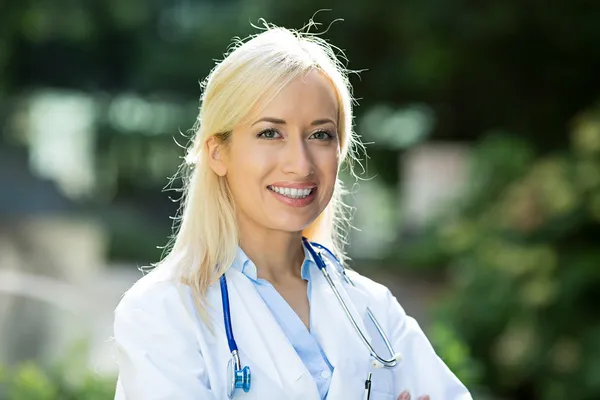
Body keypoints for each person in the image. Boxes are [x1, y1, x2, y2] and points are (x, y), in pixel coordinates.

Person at [113, 22, 472, 400]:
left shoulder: (371, 308)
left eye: (321, 135)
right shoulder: (162, 312)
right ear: (217, 152)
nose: (301, 164)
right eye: (270, 133)